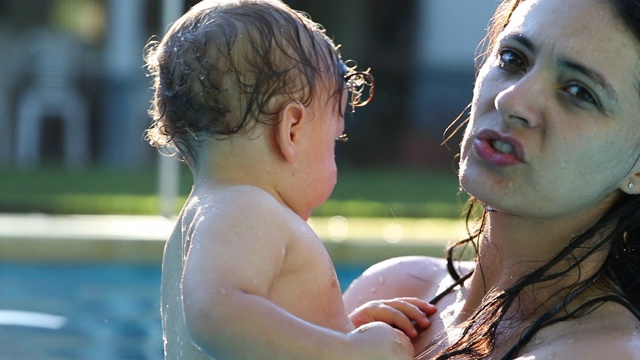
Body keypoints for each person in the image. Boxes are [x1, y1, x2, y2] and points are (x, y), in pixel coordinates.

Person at [343, 0, 640, 358]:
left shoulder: (600, 352)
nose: (511, 99)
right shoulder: (389, 290)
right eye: (513, 59)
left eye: (579, 92)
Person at [143, 0, 435, 358]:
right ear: (292, 130)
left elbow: (251, 334)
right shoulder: (245, 208)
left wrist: (340, 328)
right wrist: (346, 351)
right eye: (334, 139)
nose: (335, 151)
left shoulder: (213, 212)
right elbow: (215, 314)